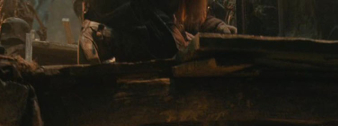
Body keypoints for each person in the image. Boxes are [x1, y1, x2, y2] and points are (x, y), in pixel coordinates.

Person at [77, 0, 236, 63]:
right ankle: (103, 37)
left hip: (140, 17)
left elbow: (192, 15)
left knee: (172, 45)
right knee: (170, 46)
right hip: (117, 11)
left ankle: (104, 37)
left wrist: (216, 27)